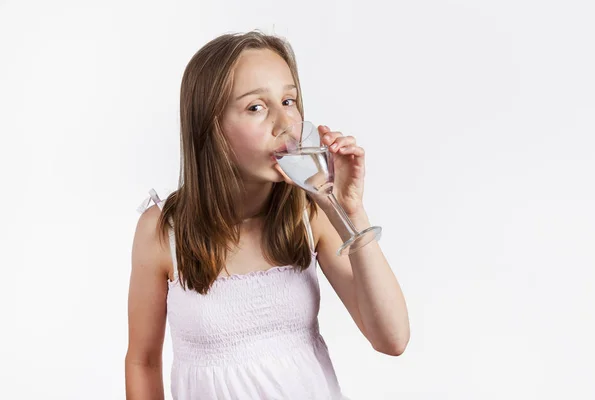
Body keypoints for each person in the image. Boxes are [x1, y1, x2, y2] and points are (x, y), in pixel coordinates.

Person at [125, 30, 410, 400]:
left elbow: (392, 337)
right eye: (256, 107)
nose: (284, 124)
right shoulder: (163, 232)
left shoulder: (310, 213)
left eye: (289, 101)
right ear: (211, 128)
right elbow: (143, 361)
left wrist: (350, 210)